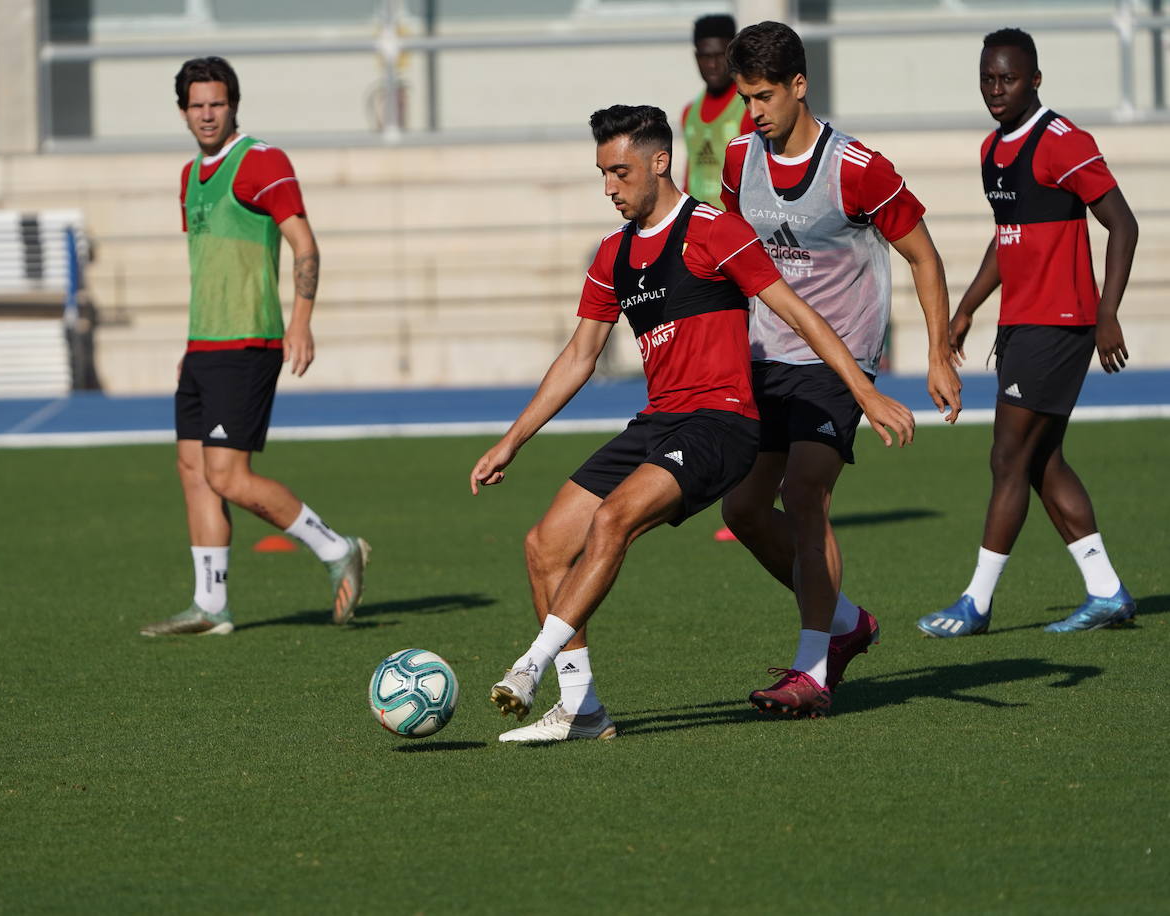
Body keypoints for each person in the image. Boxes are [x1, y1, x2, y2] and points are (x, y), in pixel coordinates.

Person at [469, 104, 915, 742]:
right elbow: (579, 356)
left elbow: (799, 313)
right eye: (601, 174)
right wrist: (509, 442)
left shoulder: (715, 230)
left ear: (659, 162)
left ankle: (530, 664)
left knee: (613, 519)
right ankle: (582, 710)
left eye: (620, 172)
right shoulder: (613, 253)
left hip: (721, 423)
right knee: (544, 545)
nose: (609, 188)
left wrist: (864, 394)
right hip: (657, 422)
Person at [716, 21, 963, 716]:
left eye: (764, 96)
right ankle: (847, 623)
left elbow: (924, 255)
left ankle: (812, 670)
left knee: (805, 493)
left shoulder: (857, 167)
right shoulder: (740, 160)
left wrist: (939, 353)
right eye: (745, 97)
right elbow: (736, 257)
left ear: (800, 86)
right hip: (768, 354)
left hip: (841, 357)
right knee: (741, 509)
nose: (754, 111)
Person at [918, 28, 1138, 637]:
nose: (996, 88)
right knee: (1042, 461)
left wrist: (1106, 310)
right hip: (1021, 323)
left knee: (1008, 457)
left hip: (1059, 323)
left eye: (1008, 78)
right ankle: (1106, 590)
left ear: (1035, 79)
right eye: (987, 78)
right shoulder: (994, 148)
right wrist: (966, 309)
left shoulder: (1062, 142)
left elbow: (1123, 224)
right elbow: (1007, 234)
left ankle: (976, 603)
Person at [141, 56, 369, 637]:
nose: (207, 114)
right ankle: (211, 605)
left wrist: (301, 322)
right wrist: (192, 346)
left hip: (248, 343)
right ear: (183, 112)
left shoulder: (260, 160)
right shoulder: (192, 175)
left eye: (216, 103)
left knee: (228, 476)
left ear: (233, 104)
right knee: (193, 471)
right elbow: (211, 266)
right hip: (203, 348)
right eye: (197, 105)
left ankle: (336, 548)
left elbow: (305, 245)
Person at [682, 14, 757, 204]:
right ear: (696, 57)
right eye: (706, 57)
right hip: (696, 226)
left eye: (719, 56)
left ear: (733, 55)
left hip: (737, 227)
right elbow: (691, 176)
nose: (713, 65)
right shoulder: (689, 114)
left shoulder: (752, 109)